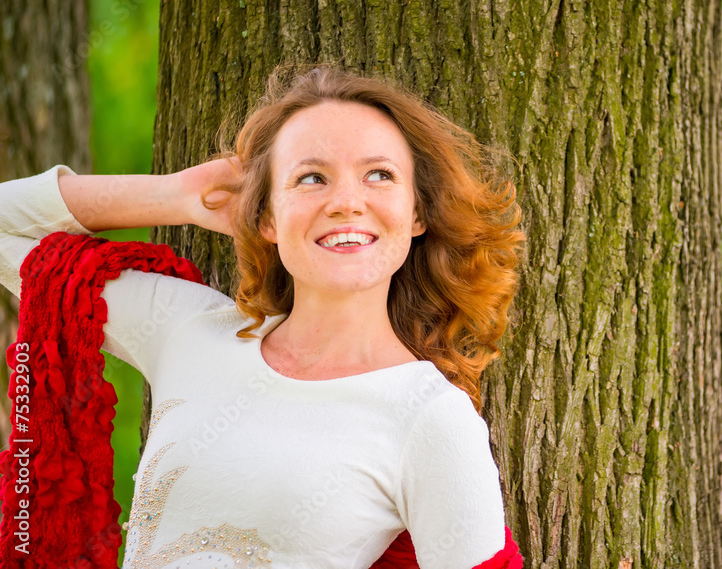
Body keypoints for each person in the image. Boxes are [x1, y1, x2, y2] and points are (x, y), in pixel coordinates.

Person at [0, 64, 526, 568]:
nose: (346, 201)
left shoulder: (431, 417)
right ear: (267, 217)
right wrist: (180, 195)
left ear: (417, 213)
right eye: (311, 177)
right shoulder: (189, 332)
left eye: (379, 175)